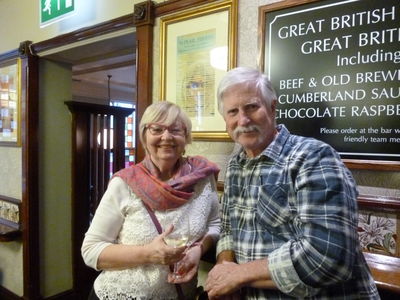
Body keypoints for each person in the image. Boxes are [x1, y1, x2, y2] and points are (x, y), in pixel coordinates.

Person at [205, 67, 379, 299]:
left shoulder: (313, 157)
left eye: (252, 107)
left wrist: (239, 275)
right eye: (232, 112)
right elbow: (228, 228)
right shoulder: (236, 164)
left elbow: (328, 258)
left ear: (273, 107)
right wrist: (223, 265)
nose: (243, 120)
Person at [82, 101, 220, 300]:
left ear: (186, 137)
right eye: (157, 129)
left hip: (182, 294)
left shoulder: (203, 178)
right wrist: (149, 254)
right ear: (144, 136)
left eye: (175, 130)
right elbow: (91, 250)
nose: (166, 137)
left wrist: (199, 249)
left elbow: (214, 224)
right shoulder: (125, 183)